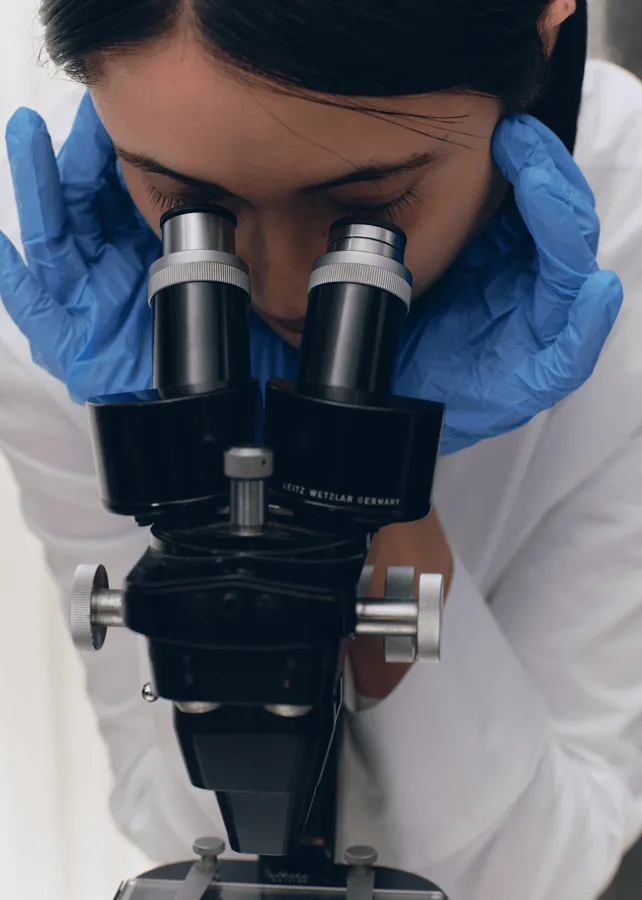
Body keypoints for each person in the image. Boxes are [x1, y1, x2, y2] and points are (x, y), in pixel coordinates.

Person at [0, 0, 641, 897]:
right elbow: (184, 834)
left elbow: (542, 867)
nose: (279, 283)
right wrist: (216, 473)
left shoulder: (631, 228)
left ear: (544, 25)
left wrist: (376, 488)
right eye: (189, 209)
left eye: (369, 207)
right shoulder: (85, 293)